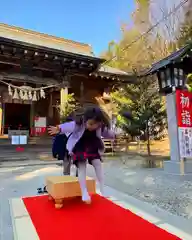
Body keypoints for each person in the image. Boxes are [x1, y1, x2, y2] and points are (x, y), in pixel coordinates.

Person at [48, 107, 115, 204]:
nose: (93, 127)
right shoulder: (79, 124)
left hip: (92, 146)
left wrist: (113, 135)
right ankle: (84, 192)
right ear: (85, 120)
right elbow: (69, 126)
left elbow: (108, 133)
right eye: (91, 124)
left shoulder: (100, 126)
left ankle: (102, 188)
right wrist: (58, 128)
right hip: (79, 146)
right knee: (82, 167)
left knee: (98, 164)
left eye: (96, 125)